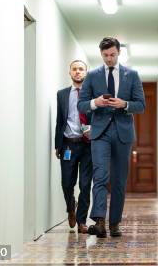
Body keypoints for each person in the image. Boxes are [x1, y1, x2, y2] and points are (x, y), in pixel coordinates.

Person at [78, 37, 145, 238]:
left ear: (118, 53)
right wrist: (95, 102)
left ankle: (115, 223)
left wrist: (124, 104)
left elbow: (141, 105)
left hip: (123, 132)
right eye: (105, 55)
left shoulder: (131, 75)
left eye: (112, 55)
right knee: (100, 176)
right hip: (100, 132)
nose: (109, 59)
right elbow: (81, 105)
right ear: (101, 54)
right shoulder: (92, 75)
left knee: (118, 180)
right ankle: (99, 222)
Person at [54, 60, 93, 234]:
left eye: (81, 69)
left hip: (87, 145)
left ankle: (82, 221)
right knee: (67, 183)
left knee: (85, 185)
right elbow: (60, 121)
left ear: (86, 72)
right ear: (69, 72)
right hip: (68, 144)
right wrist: (58, 145)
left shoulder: (93, 95)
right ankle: (71, 207)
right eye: (74, 69)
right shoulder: (62, 94)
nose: (78, 72)